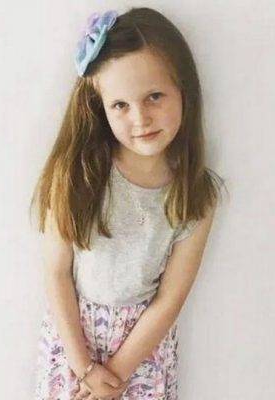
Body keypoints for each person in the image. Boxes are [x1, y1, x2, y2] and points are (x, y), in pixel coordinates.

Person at [30, 7, 225, 400]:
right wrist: (86, 370)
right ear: (101, 108)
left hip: (142, 355)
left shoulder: (196, 194)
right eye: (121, 105)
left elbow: (169, 299)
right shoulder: (78, 174)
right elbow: (56, 274)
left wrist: (116, 375)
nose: (141, 118)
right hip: (73, 348)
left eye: (154, 96)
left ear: (183, 91)